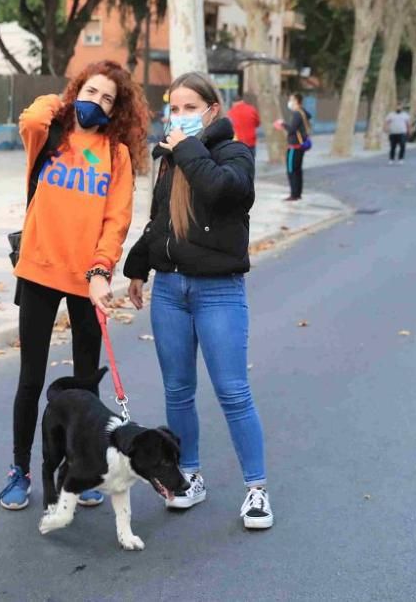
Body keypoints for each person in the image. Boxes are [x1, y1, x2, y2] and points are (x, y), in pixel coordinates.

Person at [0, 60, 150, 511]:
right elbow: (30, 117)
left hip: (88, 279)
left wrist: (103, 269)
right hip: (39, 269)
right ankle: (20, 470)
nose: (97, 103)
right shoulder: (51, 134)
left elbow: (116, 219)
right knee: (30, 380)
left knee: (86, 385)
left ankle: (80, 471)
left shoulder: (116, 154)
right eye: (91, 92)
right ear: (76, 90)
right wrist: (65, 103)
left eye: (108, 99)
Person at [123, 71, 272, 530]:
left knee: (232, 391)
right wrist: (137, 267)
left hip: (218, 291)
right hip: (170, 290)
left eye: (191, 107)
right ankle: (189, 475)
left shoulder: (233, 153)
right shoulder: (168, 160)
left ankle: (257, 490)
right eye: (175, 107)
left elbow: (225, 191)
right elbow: (162, 222)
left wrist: (186, 148)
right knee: (178, 390)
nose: (181, 116)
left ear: (212, 110)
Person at [274, 92, 311, 201]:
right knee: (298, 170)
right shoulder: (303, 112)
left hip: (294, 146)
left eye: (291, 100)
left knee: (291, 170)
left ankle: (294, 194)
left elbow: (292, 129)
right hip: (301, 146)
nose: (289, 102)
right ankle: (298, 193)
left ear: (296, 101)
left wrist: (282, 124)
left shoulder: (296, 114)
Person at [227, 92, 260, 157]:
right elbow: (257, 123)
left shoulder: (230, 113)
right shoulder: (251, 109)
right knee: (251, 160)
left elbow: (228, 128)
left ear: (233, 103)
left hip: (237, 142)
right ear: (242, 101)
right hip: (251, 141)